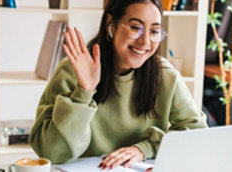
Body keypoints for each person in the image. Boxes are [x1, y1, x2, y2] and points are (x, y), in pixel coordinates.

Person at [29, 0, 208, 170]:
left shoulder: (165, 76)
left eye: (154, 31)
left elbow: (198, 135)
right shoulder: (71, 71)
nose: (145, 42)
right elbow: (52, 152)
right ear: (111, 25)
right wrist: (84, 91)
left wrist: (145, 148)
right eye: (135, 28)